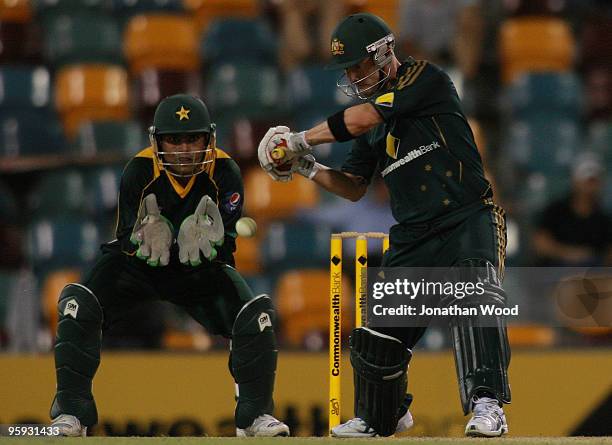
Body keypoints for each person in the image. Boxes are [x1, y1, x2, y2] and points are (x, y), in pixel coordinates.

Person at [258, 13, 510, 438]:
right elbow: (354, 186)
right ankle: (383, 417)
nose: (354, 76)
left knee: (474, 293)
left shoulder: (424, 78)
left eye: (359, 65)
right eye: (348, 70)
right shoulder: (368, 124)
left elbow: (364, 118)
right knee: (377, 338)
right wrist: (306, 166)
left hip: (467, 215)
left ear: (385, 51)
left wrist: (298, 139)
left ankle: (488, 405)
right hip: (414, 232)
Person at [49, 94, 290, 437]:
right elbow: (125, 236)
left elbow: (229, 248)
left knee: (255, 315)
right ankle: (71, 414)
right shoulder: (139, 169)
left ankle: (255, 417)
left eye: (193, 138)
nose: (184, 148)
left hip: (197, 269)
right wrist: (151, 235)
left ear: (209, 138)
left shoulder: (225, 171)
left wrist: (209, 243)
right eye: (174, 140)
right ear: (157, 140)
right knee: (78, 304)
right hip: (138, 267)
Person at [533, 154, 611, 266]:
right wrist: (570, 254)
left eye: (593, 181)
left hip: (590, 276)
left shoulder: (604, 219)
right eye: (586, 180)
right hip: (557, 273)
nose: (589, 186)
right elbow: (540, 244)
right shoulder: (555, 210)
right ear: (575, 181)